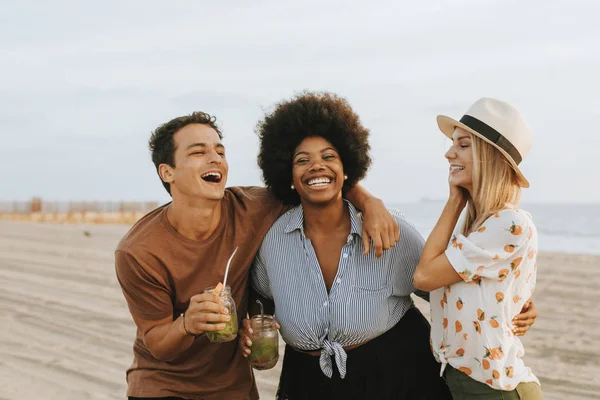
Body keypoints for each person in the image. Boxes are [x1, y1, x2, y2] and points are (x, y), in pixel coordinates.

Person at [114, 111, 398, 400]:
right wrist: (188, 324)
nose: (215, 159)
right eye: (199, 152)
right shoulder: (138, 251)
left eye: (220, 151)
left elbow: (318, 179)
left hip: (233, 389)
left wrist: (370, 202)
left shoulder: (253, 207)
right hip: (162, 388)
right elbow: (157, 343)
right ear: (167, 172)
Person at [238, 91, 453, 399]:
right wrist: (251, 324)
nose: (316, 166)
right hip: (306, 381)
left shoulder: (389, 228)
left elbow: (439, 288)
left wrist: (508, 305)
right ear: (288, 175)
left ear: (347, 168)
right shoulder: (273, 240)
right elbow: (262, 297)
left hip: (398, 374)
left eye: (329, 157)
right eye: (303, 160)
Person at [413, 97, 544, 399]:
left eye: (462, 144)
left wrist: (454, 200)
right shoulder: (474, 228)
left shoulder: (508, 224)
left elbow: (424, 276)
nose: (449, 154)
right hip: (463, 385)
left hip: (496, 390)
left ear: (491, 156)